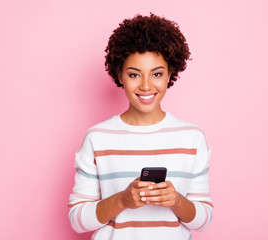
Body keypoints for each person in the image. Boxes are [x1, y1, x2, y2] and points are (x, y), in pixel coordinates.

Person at [68, 13, 213, 240]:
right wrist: (122, 200)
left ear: (169, 75)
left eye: (156, 73)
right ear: (120, 75)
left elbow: (204, 219)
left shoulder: (192, 138)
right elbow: (77, 219)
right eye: (134, 74)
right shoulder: (98, 138)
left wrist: (176, 201)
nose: (146, 85)